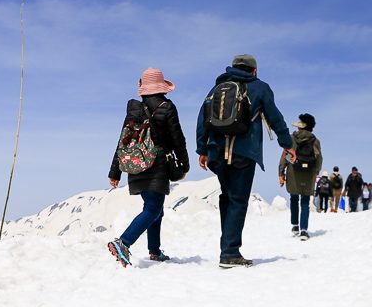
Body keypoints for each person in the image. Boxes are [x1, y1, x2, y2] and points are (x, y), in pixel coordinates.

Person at [197, 54, 294, 267]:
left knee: (227, 196)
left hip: (216, 151)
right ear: (254, 70)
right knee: (238, 200)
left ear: (233, 68)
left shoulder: (217, 88)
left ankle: (227, 247)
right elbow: (275, 118)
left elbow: (202, 118)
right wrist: (287, 144)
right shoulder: (260, 87)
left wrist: (202, 149)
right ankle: (229, 253)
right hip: (244, 151)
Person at [107, 68, 190, 267]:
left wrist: (115, 171)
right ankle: (123, 242)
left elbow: (122, 142)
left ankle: (154, 251)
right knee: (153, 209)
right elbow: (177, 139)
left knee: (155, 208)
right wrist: (184, 163)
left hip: (135, 163)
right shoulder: (167, 107)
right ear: (161, 87)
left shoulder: (134, 110)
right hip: (157, 164)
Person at [278, 114, 322, 240]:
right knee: (305, 202)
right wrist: (316, 172)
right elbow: (319, 159)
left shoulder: (292, 139)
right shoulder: (315, 141)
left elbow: (285, 156)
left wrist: (281, 172)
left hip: (293, 173)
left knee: (293, 199)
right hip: (308, 175)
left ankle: (295, 226)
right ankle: (304, 231)